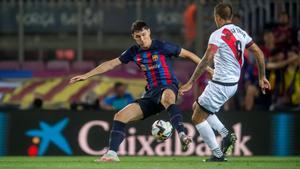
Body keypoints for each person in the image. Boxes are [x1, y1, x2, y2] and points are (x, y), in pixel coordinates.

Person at [70, 20, 213, 162]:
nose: (142, 39)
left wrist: (208, 69)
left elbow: (189, 55)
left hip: (168, 86)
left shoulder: (162, 46)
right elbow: (111, 64)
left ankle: (182, 135)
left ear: (149, 32)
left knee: (167, 98)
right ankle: (112, 154)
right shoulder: (133, 52)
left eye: (144, 35)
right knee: (120, 116)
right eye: (138, 36)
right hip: (150, 94)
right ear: (134, 37)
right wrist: (86, 75)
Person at [179, 3, 271, 162]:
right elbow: (259, 53)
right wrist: (262, 77)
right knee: (198, 107)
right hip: (232, 84)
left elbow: (206, 59)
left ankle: (217, 153)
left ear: (217, 17)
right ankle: (226, 135)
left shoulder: (217, 34)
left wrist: (190, 82)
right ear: (231, 17)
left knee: (197, 118)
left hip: (221, 84)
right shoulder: (241, 33)